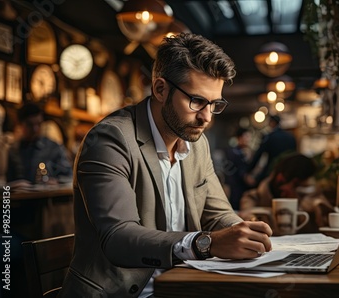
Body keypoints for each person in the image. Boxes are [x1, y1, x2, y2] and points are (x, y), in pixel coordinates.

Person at [59, 33, 272, 298]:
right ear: (160, 89)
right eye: (196, 101)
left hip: (180, 286)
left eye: (214, 104)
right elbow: (118, 237)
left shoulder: (197, 143)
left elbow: (218, 215)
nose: (206, 117)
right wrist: (204, 243)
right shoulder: (110, 140)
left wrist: (245, 235)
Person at [240, 153, 334, 232]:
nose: (293, 189)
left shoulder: (312, 196)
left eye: (298, 185)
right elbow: (246, 215)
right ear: (280, 177)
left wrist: (299, 205)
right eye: (295, 184)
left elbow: (322, 224)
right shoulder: (253, 197)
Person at [6, 102, 72, 186]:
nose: (35, 129)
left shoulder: (53, 148)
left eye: (38, 124)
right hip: (21, 197)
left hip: (46, 196)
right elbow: (7, 184)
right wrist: (12, 187)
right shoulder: (13, 150)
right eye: (30, 125)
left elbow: (69, 177)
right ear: (20, 124)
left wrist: (57, 182)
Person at [247, 114, 297, 186]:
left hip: (272, 171)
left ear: (272, 123)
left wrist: (248, 170)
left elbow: (259, 155)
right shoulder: (291, 137)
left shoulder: (269, 137)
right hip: (288, 172)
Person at [223, 127, 254, 210]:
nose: (249, 139)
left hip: (244, 187)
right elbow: (233, 170)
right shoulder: (233, 152)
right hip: (235, 186)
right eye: (246, 136)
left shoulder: (248, 151)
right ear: (240, 137)